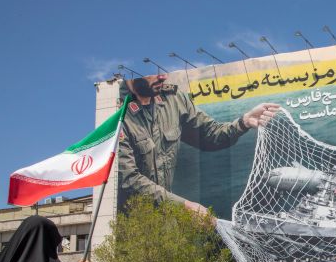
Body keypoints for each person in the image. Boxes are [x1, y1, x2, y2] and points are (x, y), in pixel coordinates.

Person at [117, 74, 279, 212]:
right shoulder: (115, 113)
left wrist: (243, 122)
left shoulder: (174, 99)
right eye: (154, 73)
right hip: (132, 224)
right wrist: (184, 206)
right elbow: (128, 180)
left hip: (168, 215)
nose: (163, 77)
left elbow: (209, 135)